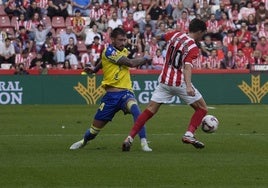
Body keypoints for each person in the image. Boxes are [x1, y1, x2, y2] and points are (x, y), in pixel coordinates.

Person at [122, 18, 208, 151]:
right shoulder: (193, 48)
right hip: (179, 82)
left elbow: (159, 36)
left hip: (164, 80)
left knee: (149, 110)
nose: (202, 36)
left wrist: (155, 41)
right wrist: (189, 86)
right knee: (202, 108)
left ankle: (129, 138)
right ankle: (189, 134)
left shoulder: (176, 34)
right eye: (203, 33)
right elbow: (187, 67)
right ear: (199, 31)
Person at [69, 28, 152, 152]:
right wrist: (145, 58)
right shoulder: (109, 51)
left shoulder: (122, 50)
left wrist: (95, 70)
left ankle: (144, 142)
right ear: (112, 39)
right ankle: (84, 141)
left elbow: (103, 62)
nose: (123, 43)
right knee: (93, 131)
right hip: (110, 97)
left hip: (125, 92)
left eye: (124, 40)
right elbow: (129, 63)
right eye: (120, 40)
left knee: (137, 112)